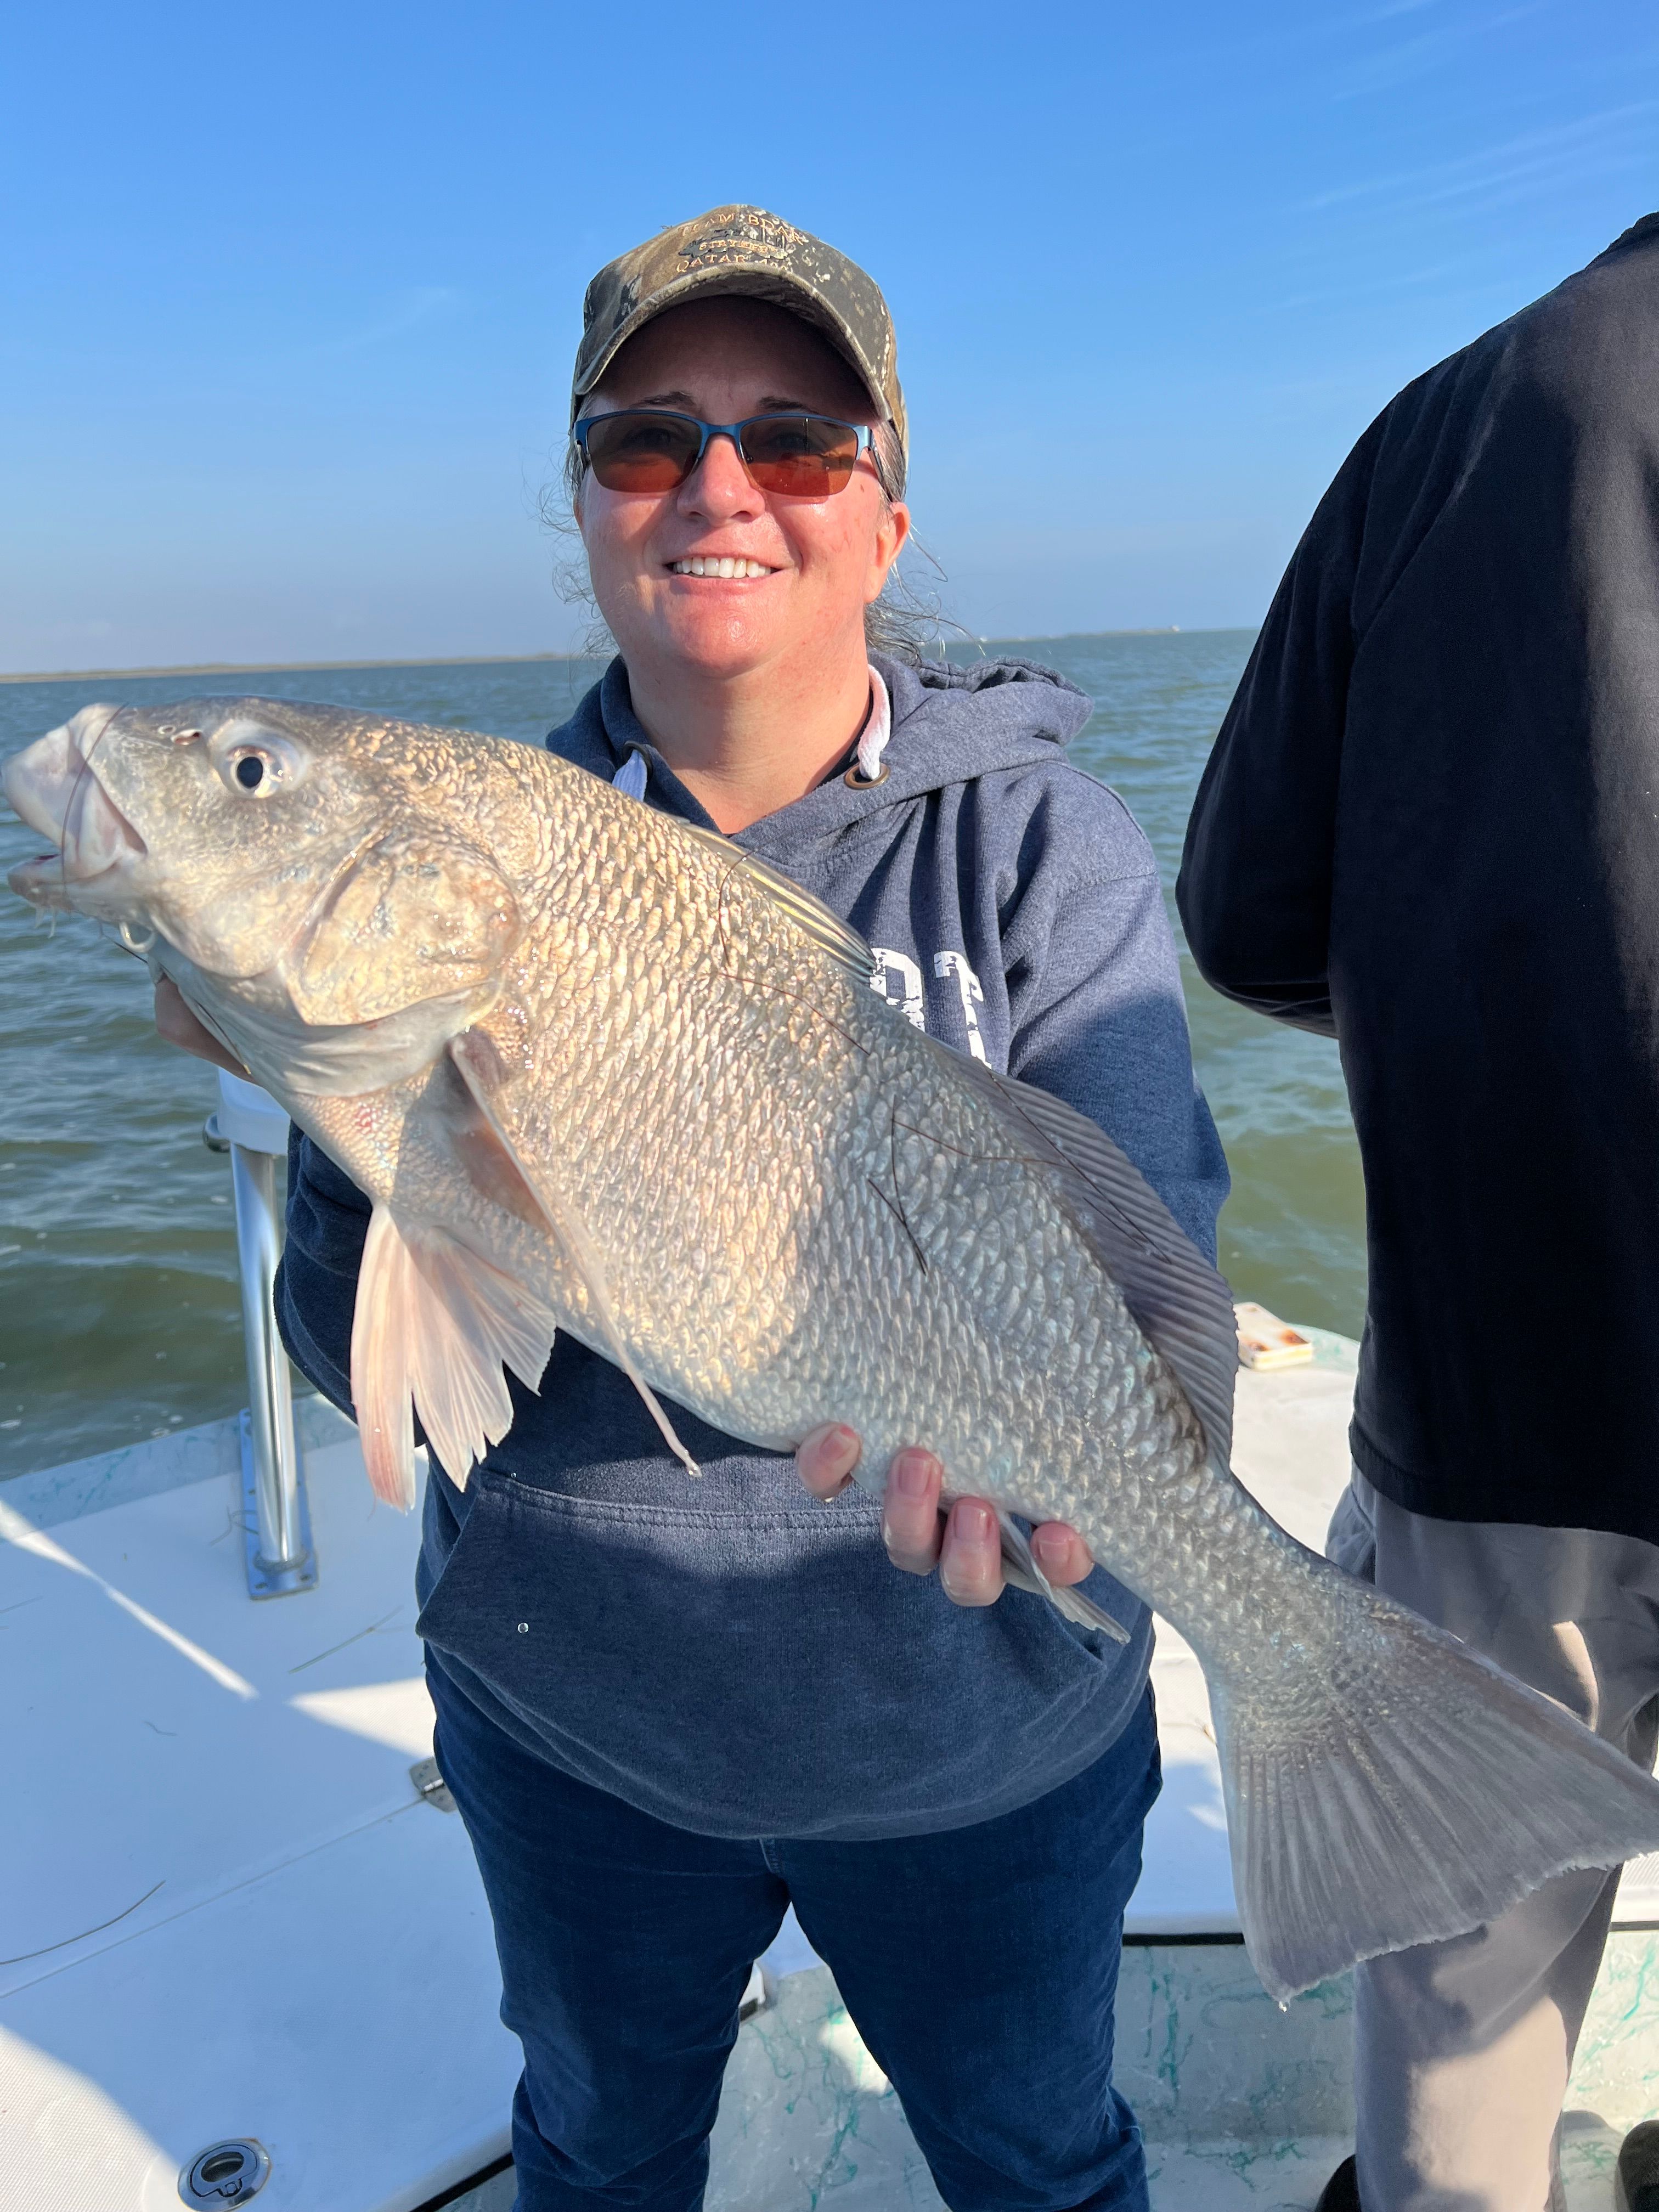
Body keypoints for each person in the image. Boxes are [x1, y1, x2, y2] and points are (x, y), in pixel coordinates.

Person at [159, 205, 1228, 2212]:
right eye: (648, 439)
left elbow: (1145, 1239)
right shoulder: (471, 836)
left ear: (885, 515)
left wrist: (1095, 1491)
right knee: (602, 2151)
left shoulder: (1035, 841)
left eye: (796, 441)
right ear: (583, 507)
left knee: (1036, 2159)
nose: (718, 486)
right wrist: (348, 1099)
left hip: (984, 1742)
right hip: (580, 1731)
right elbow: (359, 1358)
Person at [1177, 212, 1659, 2212]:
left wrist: (1466, 997)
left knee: (1469, 2003)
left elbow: (1240, 913)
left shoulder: (1447, 425)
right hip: (1502, 1390)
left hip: (1507, 1392)